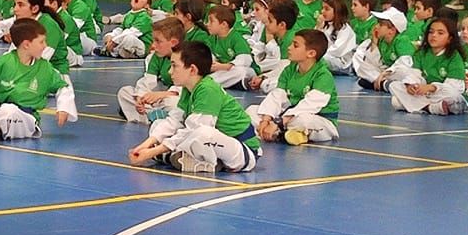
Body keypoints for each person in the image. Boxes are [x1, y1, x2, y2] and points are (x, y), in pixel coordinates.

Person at [128, 40, 260, 174]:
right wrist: (146, 145)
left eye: (174, 66)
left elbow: (196, 129)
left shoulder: (208, 89)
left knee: (203, 133)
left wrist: (153, 152)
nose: (169, 71)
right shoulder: (188, 89)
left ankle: (181, 157)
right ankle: (184, 158)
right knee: (158, 125)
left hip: (242, 151)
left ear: (192, 69)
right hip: (215, 145)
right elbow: (173, 121)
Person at [248, 29, 340, 145]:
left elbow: (309, 106)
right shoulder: (290, 69)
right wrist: (266, 120)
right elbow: (277, 96)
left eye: (295, 45)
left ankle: (280, 132)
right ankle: (284, 134)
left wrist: (278, 122)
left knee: (303, 120)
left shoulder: (323, 75)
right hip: (289, 116)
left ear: (311, 53)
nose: (289, 47)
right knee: (252, 111)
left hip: (319, 120)